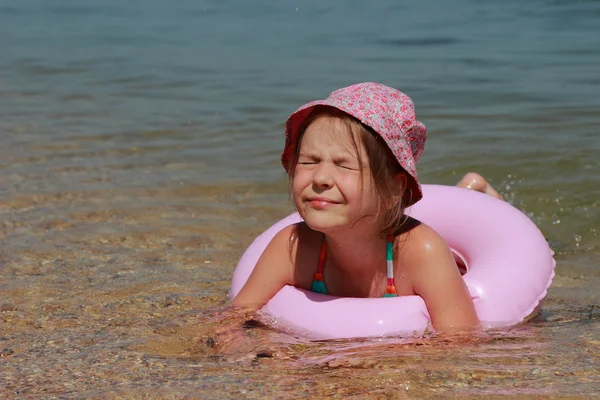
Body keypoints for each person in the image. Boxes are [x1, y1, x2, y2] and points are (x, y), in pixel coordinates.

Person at [232, 82, 502, 333]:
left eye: (343, 164)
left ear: (394, 190)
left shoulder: (422, 252)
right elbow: (229, 320)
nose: (321, 178)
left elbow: (461, 343)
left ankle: (474, 192)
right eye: (309, 162)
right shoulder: (292, 248)